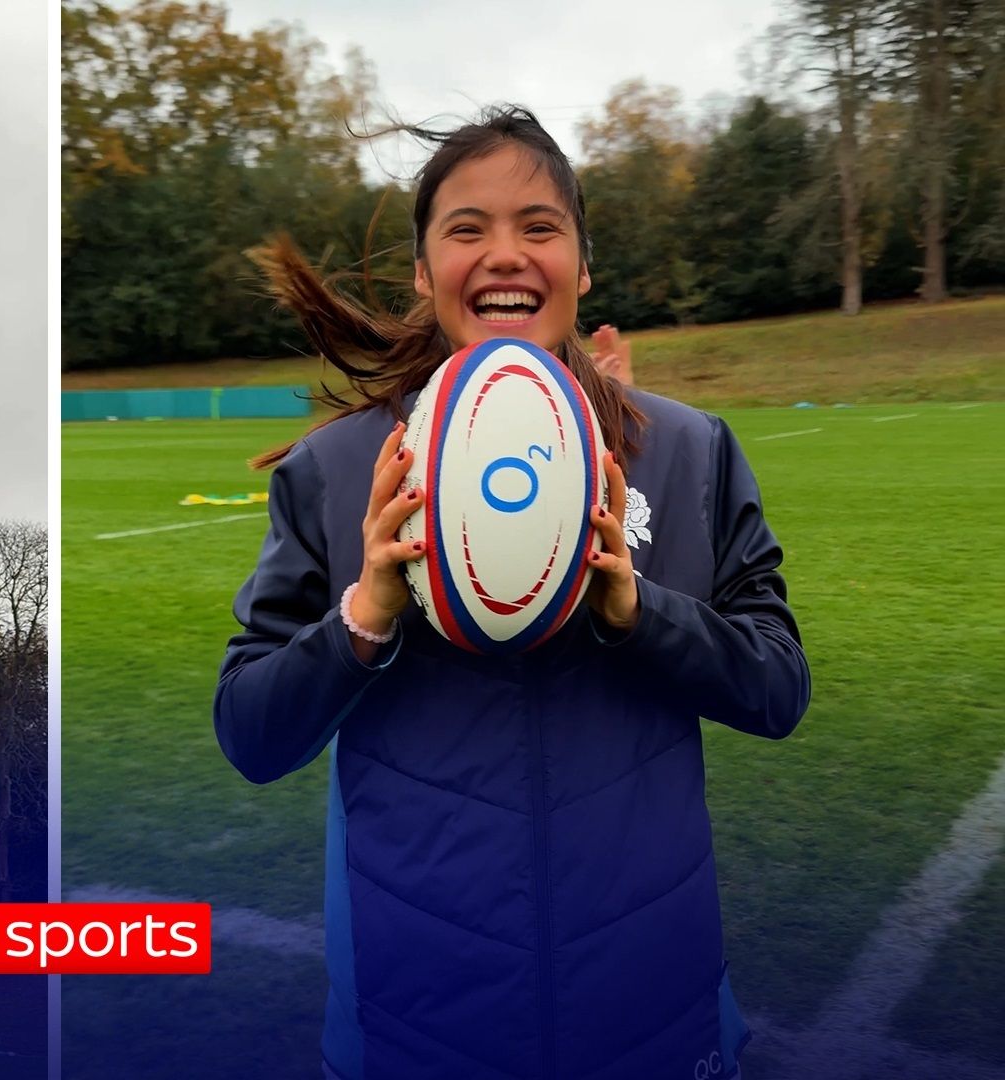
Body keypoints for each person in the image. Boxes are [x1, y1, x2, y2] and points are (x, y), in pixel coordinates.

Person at [215, 106, 809, 1080]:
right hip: (415, 1030)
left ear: (582, 264)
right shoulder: (336, 470)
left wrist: (639, 614)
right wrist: (366, 615)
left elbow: (778, 689)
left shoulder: (688, 450)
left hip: (653, 1019)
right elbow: (251, 732)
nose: (505, 254)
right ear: (423, 270)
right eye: (466, 229)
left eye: (540, 226)